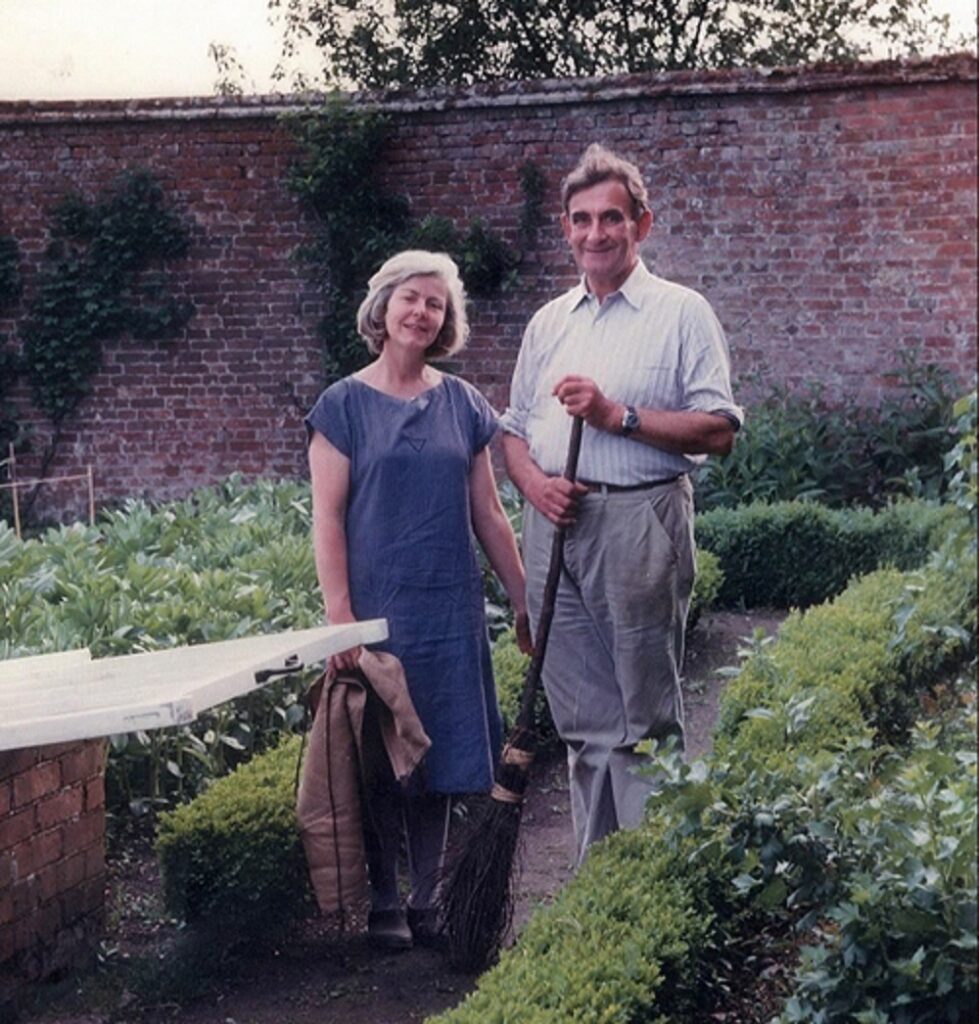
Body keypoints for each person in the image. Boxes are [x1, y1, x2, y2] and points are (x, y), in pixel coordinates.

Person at [500, 143, 743, 867]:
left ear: (642, 224)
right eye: (581, 220)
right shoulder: (549, 322)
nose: (595, 233)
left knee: (643, 719)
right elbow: (512, 433)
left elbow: (719, 430)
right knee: (583, 722)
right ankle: (598, 877)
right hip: (554, 526)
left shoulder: (679, 313)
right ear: (566, 229)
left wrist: (617, 417)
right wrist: (534, 486)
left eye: (612, 218)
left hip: (639, 523)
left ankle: (654, 876)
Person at [305, 249, 532, 950]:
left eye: (436, 304)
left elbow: (489, 515)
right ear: (383, 306)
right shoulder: (341, 407)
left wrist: (525, 600)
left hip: (447, 608)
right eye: (411, 297)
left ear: (446, 321)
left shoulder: (463, 404)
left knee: (436, 755)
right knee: (380, 757)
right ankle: (382, 901)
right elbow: (328, 519)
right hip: (377, 610)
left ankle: (429, 897)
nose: (422, 312)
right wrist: (340, 622)